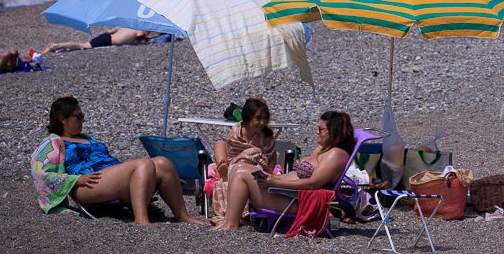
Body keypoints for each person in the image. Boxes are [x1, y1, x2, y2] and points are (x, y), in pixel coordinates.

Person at [30, 96, 207, 225]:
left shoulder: (86, 138)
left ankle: (182, 216)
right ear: (62, 119)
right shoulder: (54, 142)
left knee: (162, 162)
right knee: (144, 163)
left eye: (82, 115)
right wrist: (75, 180)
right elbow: (42, 174)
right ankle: (141, 220)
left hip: (109, 179)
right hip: (87, 184)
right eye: (78, 116)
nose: (83, 120)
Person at [212, 109, 357, 232]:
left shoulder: (336, 155)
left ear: (333, 132)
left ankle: (231, 224)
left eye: (321, 129)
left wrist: (274, 182)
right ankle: (228, 221)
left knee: (241, 171)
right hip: (285, 194)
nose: (316, 132)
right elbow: (297, 176)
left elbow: (313, 184)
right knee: (240, 166)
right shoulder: (323, 150)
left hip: (299, 202)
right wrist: (270, 175)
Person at [211, 97, 278, 230]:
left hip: (257, 171)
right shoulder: (234, 135)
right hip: (235, 166)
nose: (262, 122)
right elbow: (232, 157)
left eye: (265, 119)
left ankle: (235, 217)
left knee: (254, 155)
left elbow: (270, 165)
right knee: (221, 145)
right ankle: (225, 172)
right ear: (248, 118)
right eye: (258, 118)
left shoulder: (267, 138)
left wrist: (263, 163)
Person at [44, 28, 151, 54]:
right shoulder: (138, 33)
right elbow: (141, 40)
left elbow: (109, 30)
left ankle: (57, 46)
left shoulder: (125, 27)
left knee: (83, 44)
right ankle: (56, 46)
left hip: (106, 36)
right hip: (108, 41)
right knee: (82, 45)